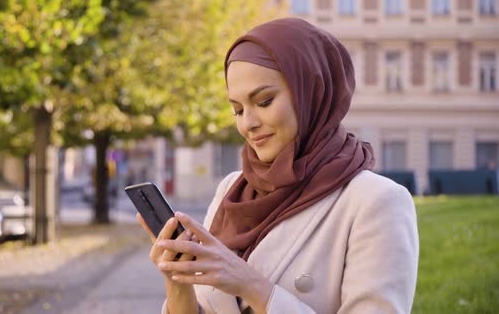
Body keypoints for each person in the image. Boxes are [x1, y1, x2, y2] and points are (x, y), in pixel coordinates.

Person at [137, 18, 419, 314]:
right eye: (237, 109)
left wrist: (252, 286)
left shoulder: (375, 201)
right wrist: (177, 280)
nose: (248, 123)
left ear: (311, 91)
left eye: (264, 101)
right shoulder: (232, 191)